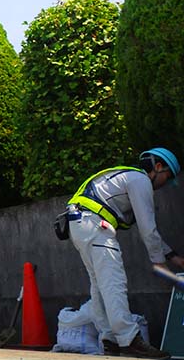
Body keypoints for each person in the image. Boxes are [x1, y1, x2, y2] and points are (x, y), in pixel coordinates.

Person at [66, 148, 184, 359]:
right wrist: (160, 265)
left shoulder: (126, 177)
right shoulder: (141, 181)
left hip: (79, 223)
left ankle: (110, 339)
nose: (165, 184)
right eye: (167, 177)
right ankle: (129, 340)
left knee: (100, 286)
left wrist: (173, 257)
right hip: (96, 225)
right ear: (158, 167)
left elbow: (148, 230)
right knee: (113, 282)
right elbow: (149, 229)